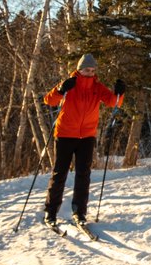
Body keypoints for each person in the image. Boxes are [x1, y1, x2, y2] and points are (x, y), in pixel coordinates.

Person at [42, 53, 125, 226]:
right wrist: (61, 90)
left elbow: (113, 102)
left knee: (83, 175)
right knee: (59, 174)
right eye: (87, 70)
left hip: (87, 136)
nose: (90, 73)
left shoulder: (97, 87)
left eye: (93, 70)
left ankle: (79, 212)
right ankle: (50, 212)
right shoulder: (70, 83)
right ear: (80, 69)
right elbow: (49, 100)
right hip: (65, 134)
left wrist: (120, 93)